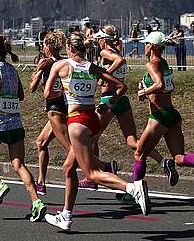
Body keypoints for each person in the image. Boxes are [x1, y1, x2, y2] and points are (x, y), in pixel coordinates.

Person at [44, 32, 150, 231]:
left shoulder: (61, 66)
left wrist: (66, 90)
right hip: (92, 119)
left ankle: (132, 188)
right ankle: (66, 215)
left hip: (77, 123)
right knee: (68, 168)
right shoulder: (93, 67)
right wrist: (108, 104)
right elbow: (122, 86)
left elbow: (47, 94)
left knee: (91, 174)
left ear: (71, 48)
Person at [132, 31, 194, 195]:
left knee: (139, 154)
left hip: (158, 118)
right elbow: (164, 88)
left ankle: (135, 192)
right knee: (179, 158)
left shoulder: (152, 64)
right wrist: (146, 91)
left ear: (152, 46)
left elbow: (159, 85)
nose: (144, 46)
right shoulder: (163, 63)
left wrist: (144, 92)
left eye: (146, 44)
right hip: (172, 115)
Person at [79, 26, 178, 191]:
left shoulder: (105, 52)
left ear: (104, 39)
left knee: (89, 138)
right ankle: (163, 162)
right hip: (122, 99)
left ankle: (96, 173)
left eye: (98, 40)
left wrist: (103, 74)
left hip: (109, 99)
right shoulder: (117, 49)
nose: (97, 42)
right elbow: (121, 60)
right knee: (132, 141)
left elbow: (120, 61)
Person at [0, 35, 46, 222]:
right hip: (16, 124)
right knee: (19, 165)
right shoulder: (12, 70)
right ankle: (36, 202)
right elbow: (21, 95)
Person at [29, 30, 69, 196]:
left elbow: (32, 88)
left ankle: (104, 167)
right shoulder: (64, 61)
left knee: (72, 149)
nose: (43, 48)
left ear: (49, 46)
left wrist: (35, 76)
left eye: (44, 45)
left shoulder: (45, 62)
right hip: (64, 105)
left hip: (55, 108)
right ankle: (41, 183)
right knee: (41, 143)